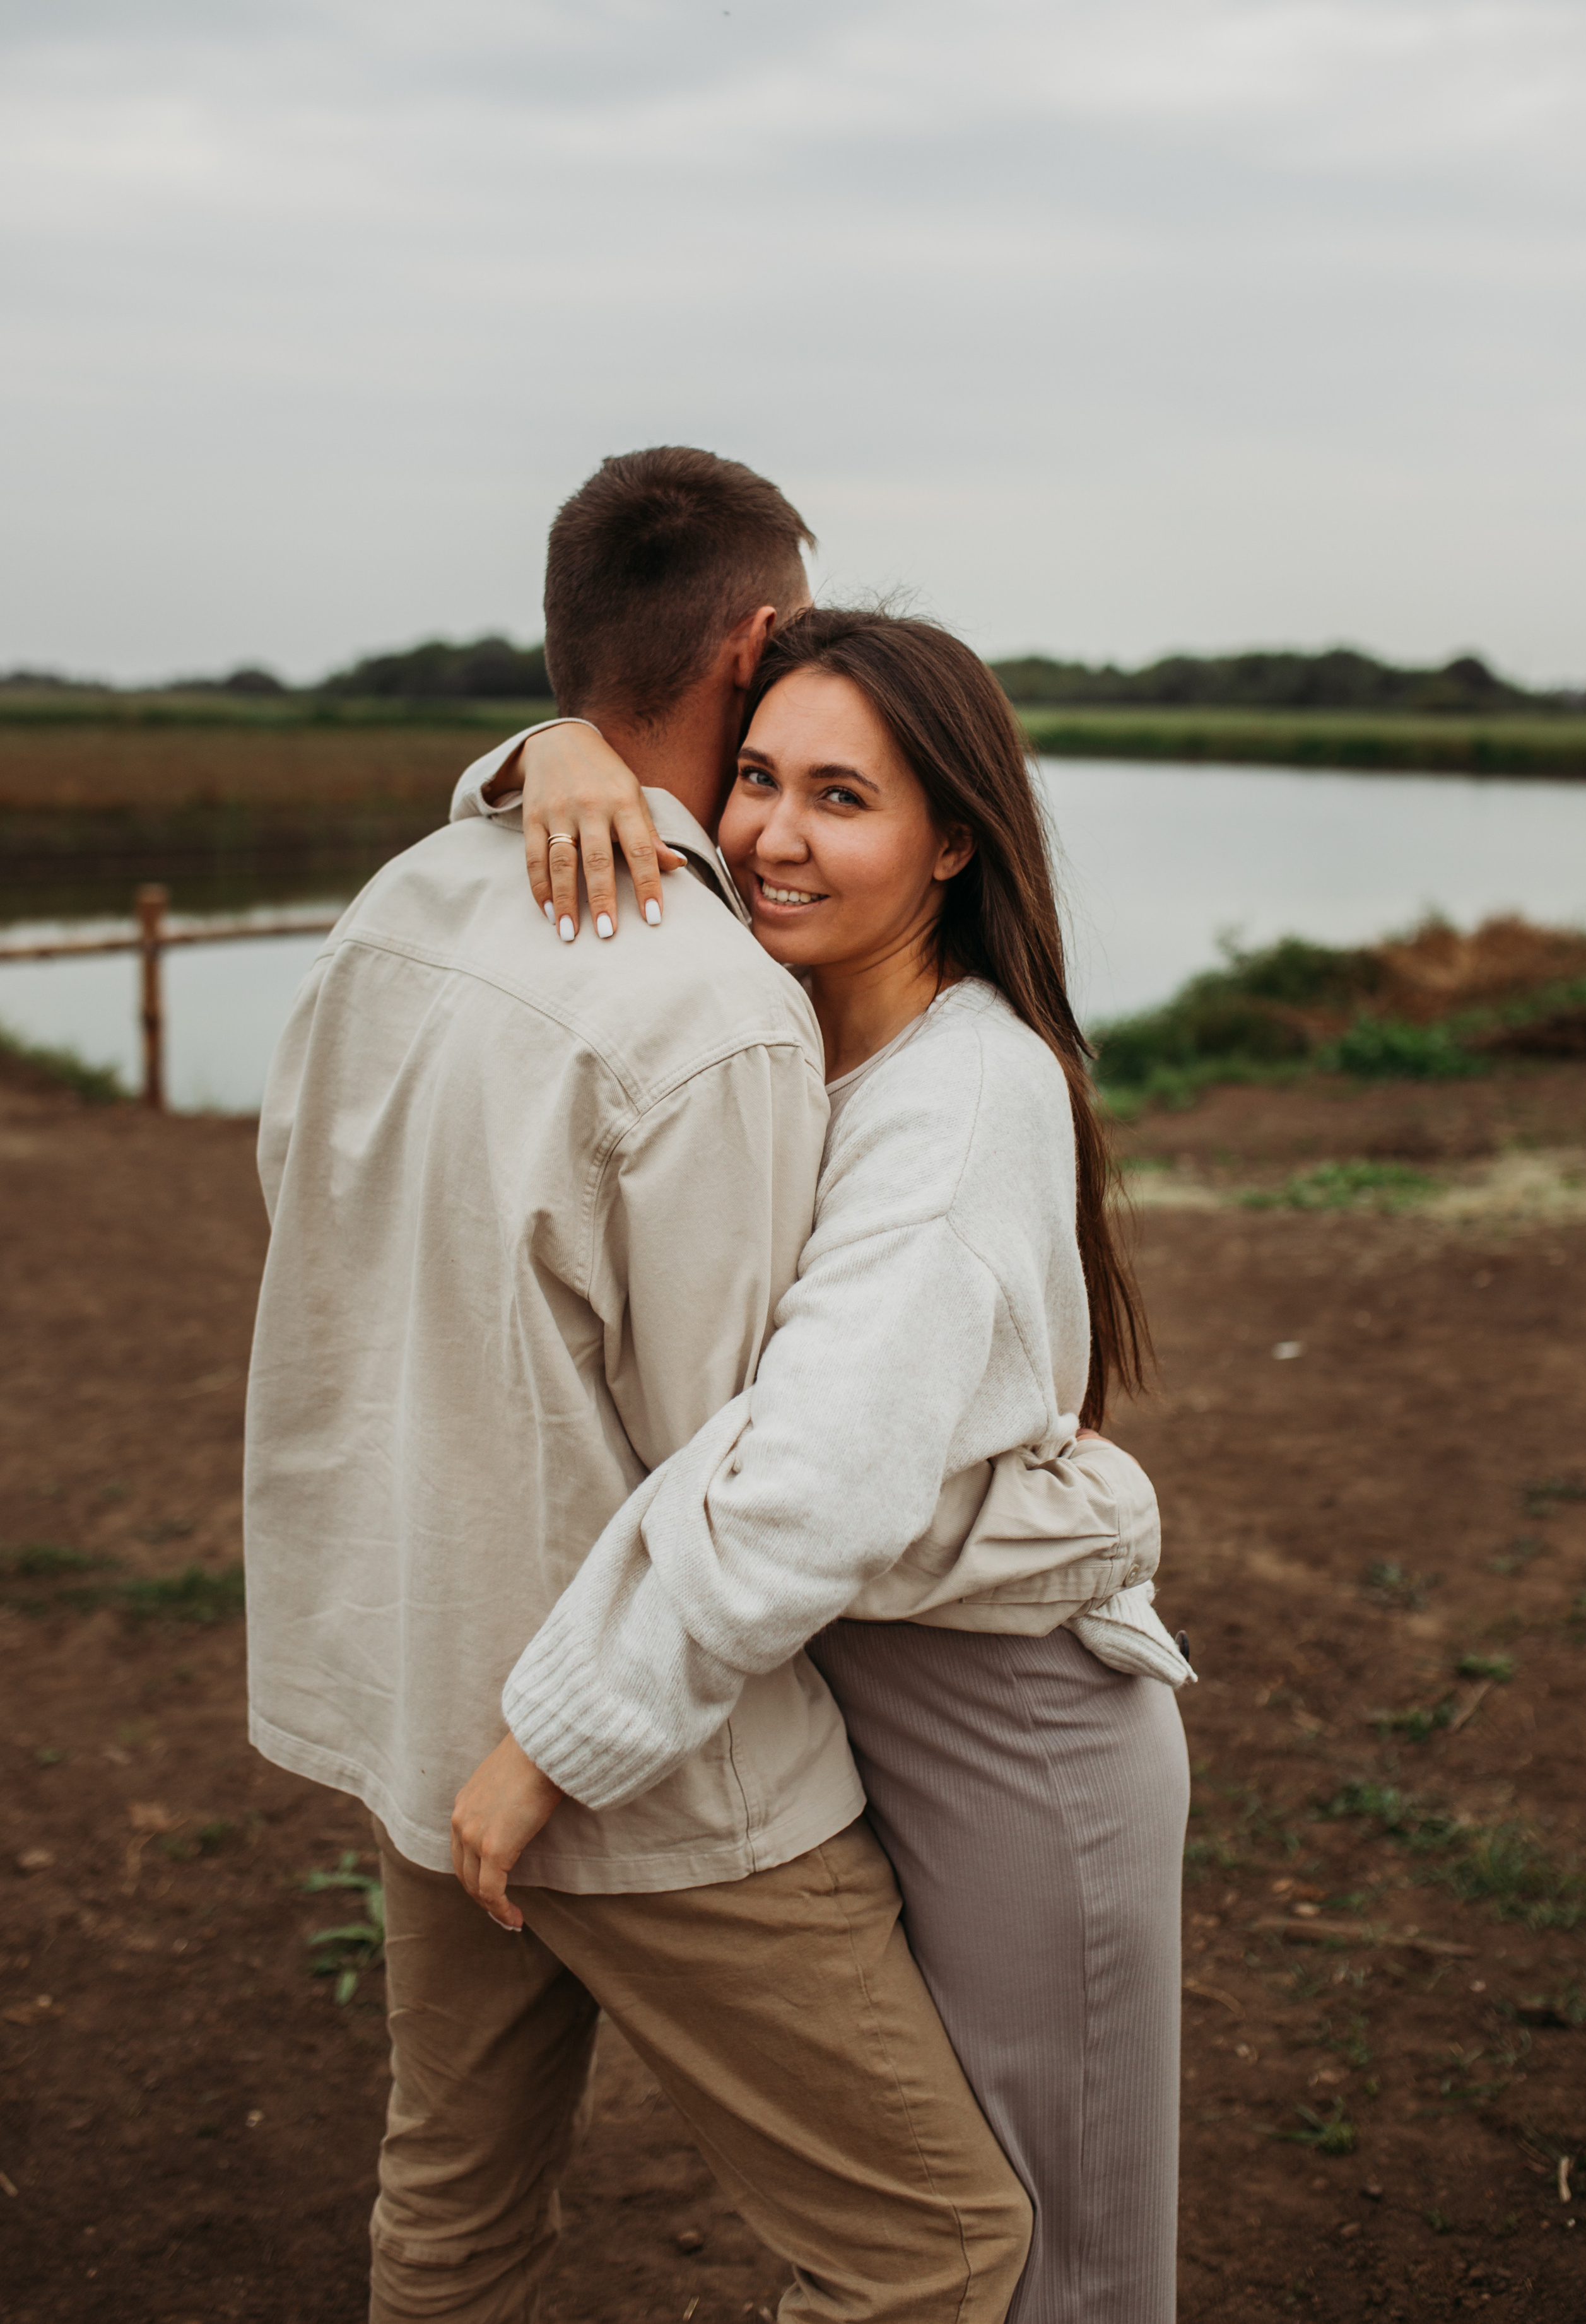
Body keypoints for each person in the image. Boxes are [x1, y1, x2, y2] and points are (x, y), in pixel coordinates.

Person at [244, 448, 1037, 2324]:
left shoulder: (395, 902)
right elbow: (740, 1443)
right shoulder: (710, 998)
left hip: (411, 1686)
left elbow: (307, 1210)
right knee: (929, 2242)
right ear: (756, 643)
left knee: (453, 2199)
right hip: (631, 1749)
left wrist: (535, 754)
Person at [450, 606, 1193, 2324]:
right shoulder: (780, 1025)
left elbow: (807, 1485)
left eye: (842, 798)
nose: (775, 835)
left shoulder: (959, 1102)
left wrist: (556, 1736)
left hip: (1014, 1742)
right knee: (920, 2213)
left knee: (1043, 2251)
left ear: (951, 840)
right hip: (866, 1702)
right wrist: (548, 753)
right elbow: (629, 774)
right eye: (760, 777)